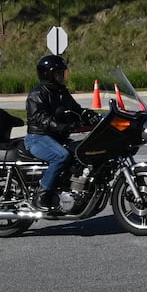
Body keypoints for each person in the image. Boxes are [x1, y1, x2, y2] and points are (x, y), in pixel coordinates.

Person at [23, 54, 91, 210]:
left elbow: (76, 110)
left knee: (80, 152)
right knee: (61, 156)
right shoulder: (38, 93)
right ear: (48, 74)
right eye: (58, 73)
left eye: (62, 72)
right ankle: (42, 195)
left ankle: (69, 188)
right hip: (38, 137)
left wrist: (91, 116)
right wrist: (59, 126)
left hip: (55, 138)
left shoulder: (61, 92)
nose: (61, 76)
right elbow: (40, 117)